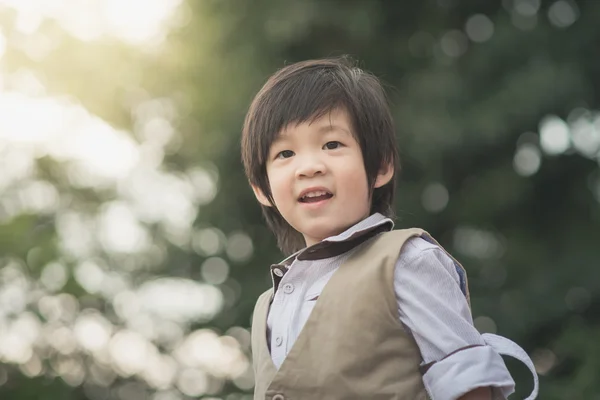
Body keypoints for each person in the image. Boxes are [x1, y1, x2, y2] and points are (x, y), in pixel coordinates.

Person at [241, 56, 538, 400]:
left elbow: (469, 387)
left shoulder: (405, 262)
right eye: (285, 153)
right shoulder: (268, 306)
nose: (309, 167)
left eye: (332, 144)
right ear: (262, 189)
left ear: (380, 166)